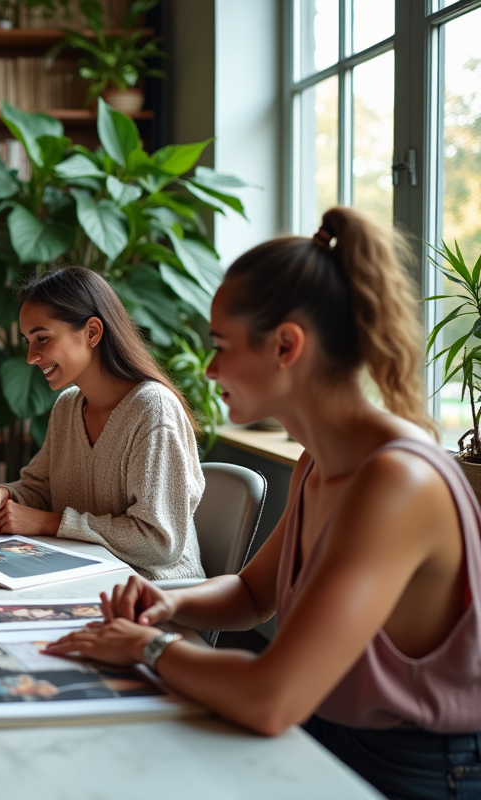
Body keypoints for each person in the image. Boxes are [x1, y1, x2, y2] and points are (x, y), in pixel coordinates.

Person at [46, 207, 481, 800]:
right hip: (330, 730)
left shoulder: (397, 481)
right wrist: (164, 601)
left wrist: (149, 645)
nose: (210, 367)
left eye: (222, 344)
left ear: (286, 346)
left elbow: (274, 696)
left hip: (412, 766)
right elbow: (253, 595)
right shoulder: (315, 462)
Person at [0, 266, 205, 580]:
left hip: (156, 596)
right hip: (83, 580)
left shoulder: (153, 410)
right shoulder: (68, 406)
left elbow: (159, 543)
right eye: (28, 340)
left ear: (92, 332)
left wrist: (47, 523)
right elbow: (39, 489)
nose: (30, 356)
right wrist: (6, 497)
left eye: (42, 338)